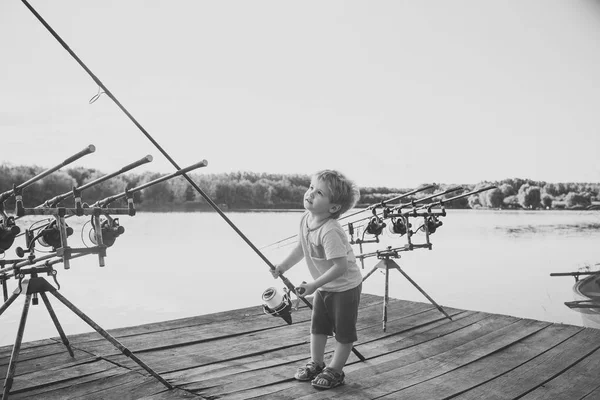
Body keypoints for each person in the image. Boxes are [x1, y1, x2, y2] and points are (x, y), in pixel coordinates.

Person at [271, 169, 362, 390]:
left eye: (319, 192)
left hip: (345, 286)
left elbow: (340, 267)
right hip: (324, 285)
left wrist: (313, 285)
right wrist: (283, 266)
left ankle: (336, 370)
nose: (310, 193)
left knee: (344, 332)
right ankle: (317, 363)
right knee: (318, 327)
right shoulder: (306, 220)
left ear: (333, 208)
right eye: (311, 187)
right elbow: (301, 248)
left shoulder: (330, 231)